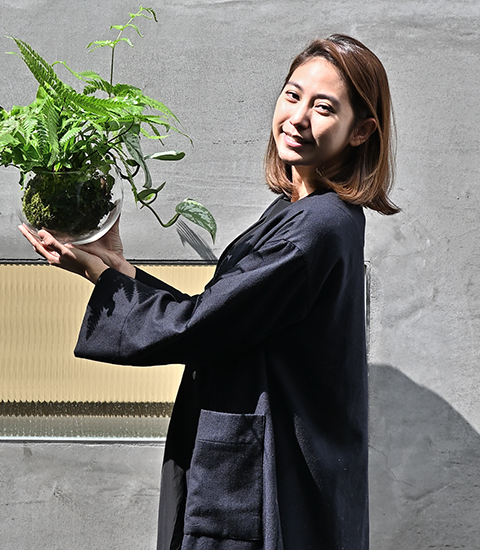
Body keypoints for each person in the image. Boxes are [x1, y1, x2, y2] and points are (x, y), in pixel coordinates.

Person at [20, 34, 399, 550]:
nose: (298, 117)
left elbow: (203, 327)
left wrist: (100, 277)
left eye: (324, 107)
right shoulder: (299, 211)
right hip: (260, 466)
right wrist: (118, 268)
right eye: (292, 95)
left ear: (361, 131)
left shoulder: (317, 227)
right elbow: (228, 315)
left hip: (266, 479)